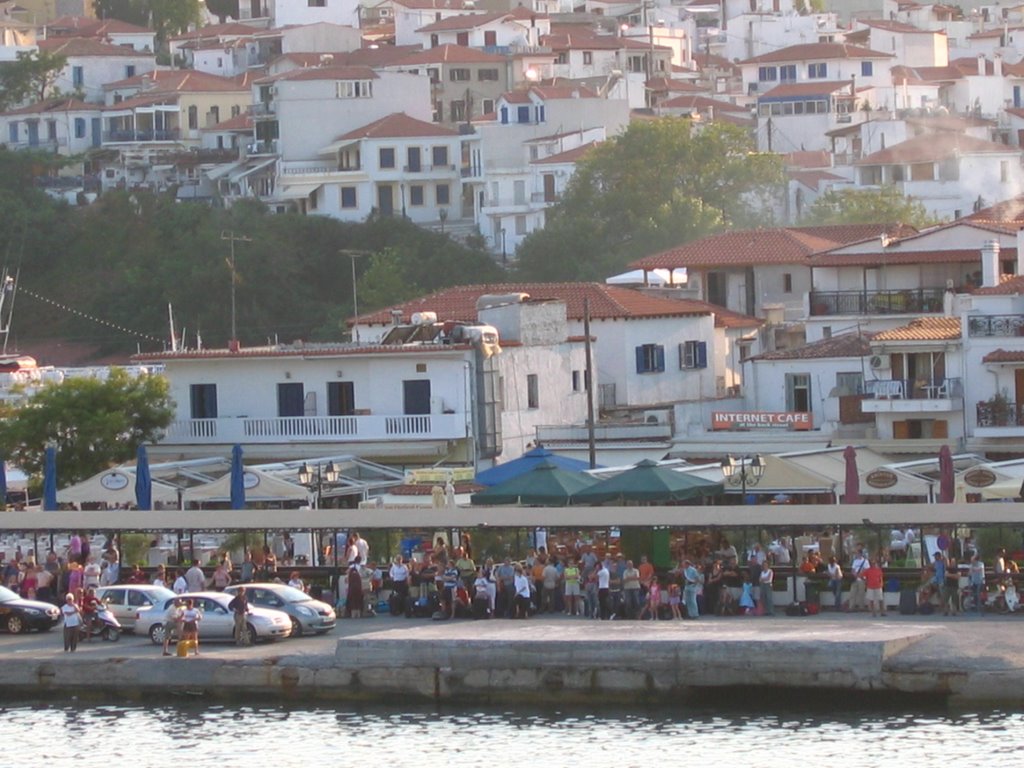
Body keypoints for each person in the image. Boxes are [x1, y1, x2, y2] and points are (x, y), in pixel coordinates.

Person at [849, 547, 869, 612]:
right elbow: (853, 569)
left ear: (860, 554)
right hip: (855, 579)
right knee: (852, 593)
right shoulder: (855, 561)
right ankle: (851, 606)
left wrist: (860, 575)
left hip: (862, 579)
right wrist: (855, 575)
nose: (856, 555)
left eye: (857, 553)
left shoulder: (865, 561)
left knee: (861, 593)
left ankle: (861, 606)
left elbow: (866, 570)